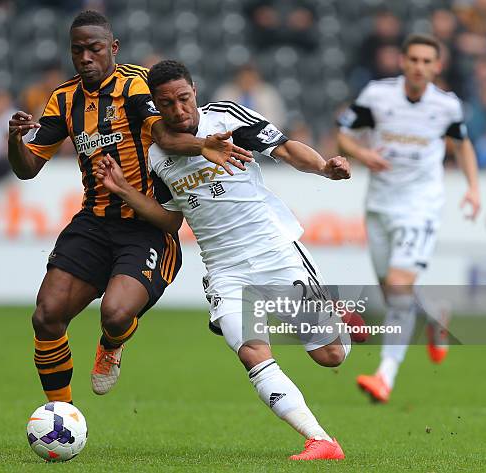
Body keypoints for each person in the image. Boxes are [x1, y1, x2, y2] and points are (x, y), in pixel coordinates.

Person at [96, 60, 355, 461]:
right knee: (252, 352)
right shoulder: (155, 157)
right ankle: (320, 440)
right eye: (167, 104)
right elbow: (171, 219)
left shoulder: (227, 117)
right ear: (156, 106)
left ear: (194, 91)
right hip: (224, 269)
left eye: (183, 99)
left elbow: (285, 148)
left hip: (273, 250)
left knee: (330, 354)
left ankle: (336, 315)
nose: (178, 110)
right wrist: (126, 191)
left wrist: (324, 167)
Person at [7, 11, 251, 402]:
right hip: (94, 222)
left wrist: (204, 145)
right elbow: (28, 168)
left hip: (146, 224)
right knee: (46, 315)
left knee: (116, 314)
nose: (85, 57)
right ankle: (62, 414)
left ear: (113, 48)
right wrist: (14, 142)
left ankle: (111, 345)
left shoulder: (136, 85)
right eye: (77, 51)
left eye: (94, 48)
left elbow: (165, 136)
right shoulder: (63, 99)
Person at [337, 34, 481, 403]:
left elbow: (462, 143)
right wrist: (363, 155)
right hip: (380, 204)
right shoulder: (376, 95)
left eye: (426, 61)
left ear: (437, 66)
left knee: (399, 288)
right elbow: (344, 137)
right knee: (393, 294)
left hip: (421, 205)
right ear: (402, 61)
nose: (419, 66)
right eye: (413, 59)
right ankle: (436, 316)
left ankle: (384, 375)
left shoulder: (446, 105)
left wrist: (473, 188)